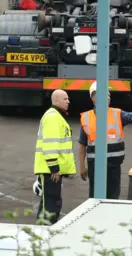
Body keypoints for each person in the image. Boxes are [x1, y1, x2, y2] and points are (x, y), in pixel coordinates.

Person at [78, 81, 132, 199]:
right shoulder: (87, 118)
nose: (108, 97)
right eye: (105, 95)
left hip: (113, 164)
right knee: (96, 197)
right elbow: (82, 145)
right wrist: (82, 167)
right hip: (95, 165)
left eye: (109, 95)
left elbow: (131, 117)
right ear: (94, 98)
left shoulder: (117, 113)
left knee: (113, 196)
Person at [33, 89, 76, 225]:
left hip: (51, 170)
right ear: (56, 100)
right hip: (50, 171)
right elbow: (50, 145)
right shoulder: (53, 117)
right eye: (65, 99)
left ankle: (43, 233)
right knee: (50, 205)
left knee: (51, 202)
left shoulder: (56, 116)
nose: (68, 101)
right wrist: (54, 168)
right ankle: (44, 233)